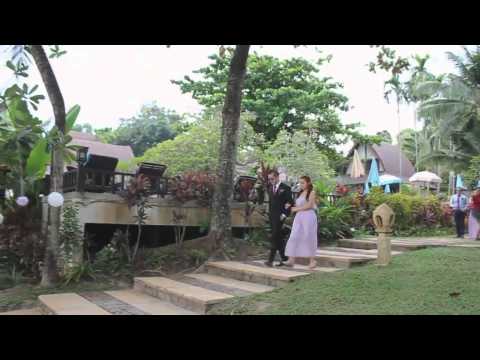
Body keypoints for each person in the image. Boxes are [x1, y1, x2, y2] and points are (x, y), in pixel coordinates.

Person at [284, 176, 318, 269]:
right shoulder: (300, 193)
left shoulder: (312, 192)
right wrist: (290, 206)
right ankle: (291, 259)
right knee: (294, 236)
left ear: (308, 183)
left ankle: (312, 261)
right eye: (300, 183)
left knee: (308, 237)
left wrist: (295, 209)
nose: (301, 184)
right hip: (299, 217)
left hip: (309, 217)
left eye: (303, 182)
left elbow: (310, 205)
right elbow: (297, 205)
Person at [264, 170, 294, 267]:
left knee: (274, 236)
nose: (271, 181)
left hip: (280, 216)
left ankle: (270, 260)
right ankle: (285, 258)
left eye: (272, 179)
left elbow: (290, 202)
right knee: (278, 238)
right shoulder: (270, 187)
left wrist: (285, 214)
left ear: (277, 177)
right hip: (272, 216)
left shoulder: (285, 188)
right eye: (269, 179)